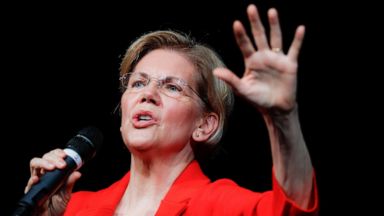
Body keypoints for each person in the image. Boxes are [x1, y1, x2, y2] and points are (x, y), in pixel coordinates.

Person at [24, 4, 318, 216]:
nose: (148, 94)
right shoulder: (75, 208)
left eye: (172, 87)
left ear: (205, 125)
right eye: (138, 83)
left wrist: (283, 118)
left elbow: (294, 211)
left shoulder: (222, 206)